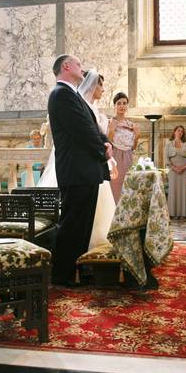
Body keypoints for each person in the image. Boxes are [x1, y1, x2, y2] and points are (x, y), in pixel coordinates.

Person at [47, 54, 112, 286]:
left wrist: (106, 142)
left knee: (82, 225)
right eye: (78, 64)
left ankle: (73, 270)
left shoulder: (72, 94)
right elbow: (82, 130)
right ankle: (62, 275)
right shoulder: (60, 95)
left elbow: (91, 124)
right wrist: (101, 150)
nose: (81, 69)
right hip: (76, 171)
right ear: (66, 66)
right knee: (72, 225)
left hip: (85, 171)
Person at [78, 69, 118, 250]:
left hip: (100, 159)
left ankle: (99, 239)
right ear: (92, 86)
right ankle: (89, 243)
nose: (102, 89)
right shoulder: (84, 106)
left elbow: (103, 136)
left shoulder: (95, 108)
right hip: (89, 162)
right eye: (100, 84)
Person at [108, 92, 138, 202]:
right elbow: (107, 143)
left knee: (128, 187)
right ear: (114, 106)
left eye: (124, 103)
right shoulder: (110, 122)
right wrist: (111, 130)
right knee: (114, 187)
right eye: (119, 103)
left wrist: (137, 137)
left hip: (128, 158)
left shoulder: (131, 125)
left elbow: (133, 147)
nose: (122, 106)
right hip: (115, 157)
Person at [164, 125, 186, 219]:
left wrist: (184, 167)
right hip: (173, 171)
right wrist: (174, 168)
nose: (180, 133)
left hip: (184, 171)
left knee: (183, 191)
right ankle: (173, 213)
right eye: (178, 131)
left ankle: (183, 214)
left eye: (182, 131)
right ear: (174, 132)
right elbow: (166, 158)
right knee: (173, 191)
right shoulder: (168, 144)